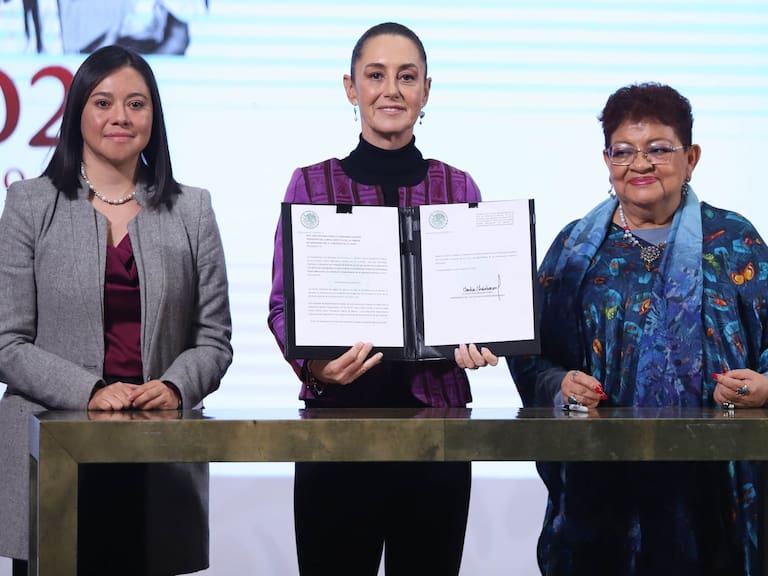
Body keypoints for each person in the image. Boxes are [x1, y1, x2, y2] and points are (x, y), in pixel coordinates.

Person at [508, 82, 768, 575]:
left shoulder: (735, 241)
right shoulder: (573, 251)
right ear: (606, 160)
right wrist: (558, 385)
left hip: (713, 489)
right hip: (600, 488)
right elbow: (529, 350)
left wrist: (763, 386)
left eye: (659, 150)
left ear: (691, 157)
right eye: (623, 151)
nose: (640, 164)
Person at [268, 21, 498, 576]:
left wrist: (484, 338)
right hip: (336, 430)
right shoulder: (310, 185)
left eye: (406, 76)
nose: (391, 90)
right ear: (351, 88)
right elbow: (283, 307)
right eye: (376, 75)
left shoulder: (458, 187)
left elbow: (478, 300)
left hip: (438, 431)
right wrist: (316, 365)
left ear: (426, 90)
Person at [0, 45, 232, 575]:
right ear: (78, 110)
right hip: (53, 447)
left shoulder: (192, 209)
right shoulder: (31, 204)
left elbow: (214, 341)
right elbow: (6, 342)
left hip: (158, 447)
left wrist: (175, 387)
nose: (120, 117)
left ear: (154, 116)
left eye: (137, 104)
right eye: (103, 102)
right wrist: (90, 392)